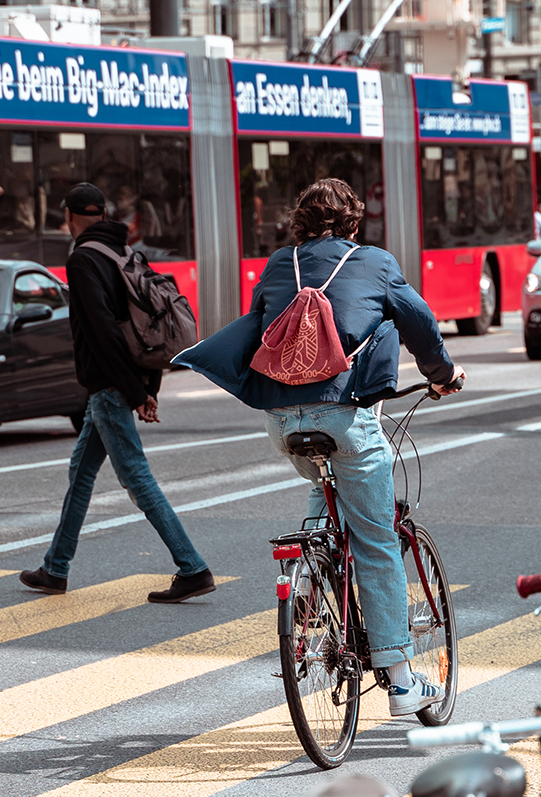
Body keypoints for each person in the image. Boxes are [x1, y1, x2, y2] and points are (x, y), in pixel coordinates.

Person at [177, 178, 465, 718]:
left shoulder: (277, 265)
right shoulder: (375, 262)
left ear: (298, 225)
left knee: (322, 478)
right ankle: (402, 680)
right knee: (376, 539)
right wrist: (442, 373)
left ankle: (309, 575)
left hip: (281, 421)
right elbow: (420, 325)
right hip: (345, 415)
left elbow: (263, 324)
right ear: (354, 225)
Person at [18, 183, 212, 601]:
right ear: (104, 214)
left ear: (70, 217)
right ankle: (55, 568)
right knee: (81, 471)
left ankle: (192, 567)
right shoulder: (127, 253)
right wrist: (148, 385)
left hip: (107, 386)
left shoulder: (83, 259)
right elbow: (149, 323)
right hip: (116, 385)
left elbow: (104, 331)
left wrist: (132, 391)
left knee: (137, 478)